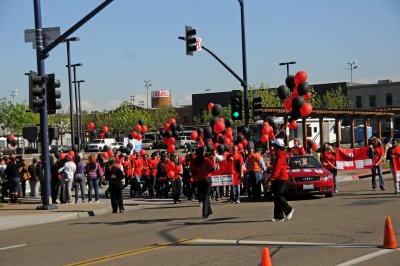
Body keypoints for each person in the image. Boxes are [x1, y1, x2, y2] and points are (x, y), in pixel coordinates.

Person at [269, 138, 294, 222]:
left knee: (278, 195)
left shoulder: (280, 154)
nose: (273, 147)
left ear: (277, 146)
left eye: (274, 145)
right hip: (278, 177)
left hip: (281, 178)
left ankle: (289, 209)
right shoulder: (278, 153)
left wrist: (271, 178)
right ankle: (278, 216)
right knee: (276, 197)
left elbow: (278, 168)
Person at [189, 146, 215, 219]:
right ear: (203, 152)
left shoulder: (193, 161)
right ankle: (205, 213)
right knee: (206, 196)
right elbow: (211, 169)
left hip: (198, 180)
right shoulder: (206, 160)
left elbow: (191, 170)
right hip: (206, 179)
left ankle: (209, 211)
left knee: (204, 196)